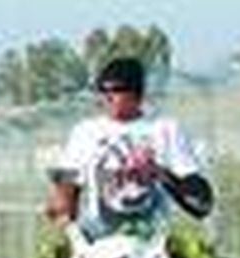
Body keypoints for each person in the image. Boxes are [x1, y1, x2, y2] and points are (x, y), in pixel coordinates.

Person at [47, 56, 213, 235]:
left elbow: (200, 200)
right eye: (102, 90)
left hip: (155, 247)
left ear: (137, 94)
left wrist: (158, 172)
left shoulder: (165, 129)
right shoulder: (85, 132)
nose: (107, 97)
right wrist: (61, 212)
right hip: (98, 243)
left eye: (117, 90)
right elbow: (65, 190)